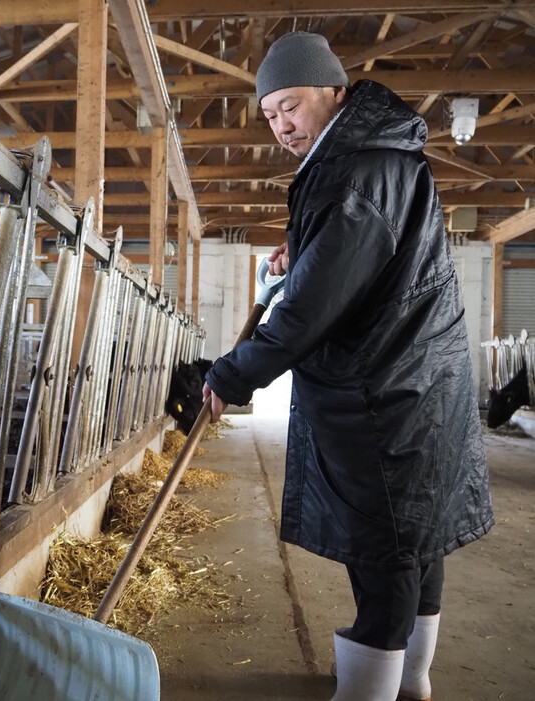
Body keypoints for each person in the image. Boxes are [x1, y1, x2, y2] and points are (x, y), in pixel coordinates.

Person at [202, 32, 494, 701]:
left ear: (334, 90)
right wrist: (301, 249)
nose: (281, 124)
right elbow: (354, 260)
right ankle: (410, 678)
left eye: (291, 106)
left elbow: (307, 314)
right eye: (271, 113)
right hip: (415, 379)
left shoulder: (360, 171)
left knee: (385, 550)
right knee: (415, 539)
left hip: (385, 391)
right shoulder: (369, 153)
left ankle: (370, 691)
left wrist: (230, 374)